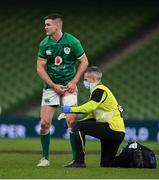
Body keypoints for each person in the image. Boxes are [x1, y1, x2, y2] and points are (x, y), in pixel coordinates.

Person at [36, 13, 88, 166]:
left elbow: (84, 61)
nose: (45, 27)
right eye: (45, 24)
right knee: (45, 123)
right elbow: (39, 68)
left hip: (69, 88)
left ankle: (75, 159)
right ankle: (45, 158)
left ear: (57, 26)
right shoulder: (44, 44)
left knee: (71, 121)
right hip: (51, 88)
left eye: (48, 24)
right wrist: (53, 86)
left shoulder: (72, 42)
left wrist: (74, 81)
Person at [62, 66, 125, 168]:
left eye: (86, 80)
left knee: (78, 127)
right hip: (117, 132)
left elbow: (88, 108)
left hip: (111, 128)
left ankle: (79, 161)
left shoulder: (99, 90)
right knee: (107, 164)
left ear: (93, 79)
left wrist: (70, 109)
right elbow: (93, 115)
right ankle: (133, 157)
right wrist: (75, 122)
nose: (84, 82)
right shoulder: (101, 91)